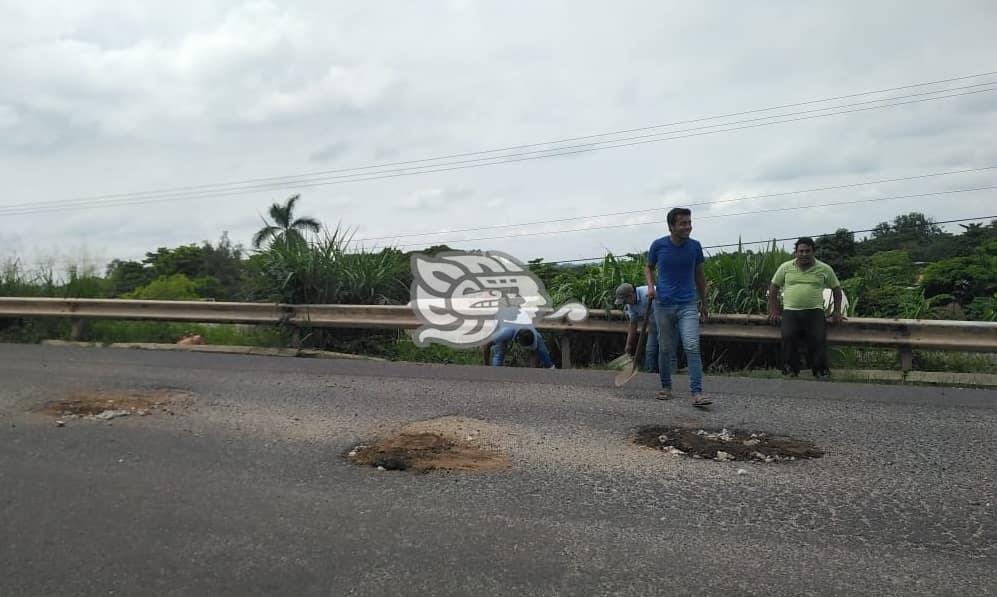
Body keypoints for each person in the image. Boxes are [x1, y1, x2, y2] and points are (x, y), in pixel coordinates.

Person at [645, 207, 711, 407]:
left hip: (688, 304)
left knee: (692, 345)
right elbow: (649, 267)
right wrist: (650, 285)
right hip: (663, 304)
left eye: (689, 223)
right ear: (671, 226)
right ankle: (666, 387)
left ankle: (697, 393)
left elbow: (699, 277)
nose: (688, 227)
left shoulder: (695, 247)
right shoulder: (659, 245)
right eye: (683, 223)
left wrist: (704, 304)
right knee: (665, 348)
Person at [767, 237, 843, 378]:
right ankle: (790, 370)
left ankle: (820, 372)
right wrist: (774, 311)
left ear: (813, 252)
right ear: (796, 252)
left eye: (807, 251)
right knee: (789, 337)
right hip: (790, 311)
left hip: (815, 311)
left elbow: (837, 290)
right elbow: (773, 288)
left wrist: (837, 311)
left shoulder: (824, 268)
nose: (804, 254)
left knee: (818, 339)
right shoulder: (785, 267)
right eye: (800, 251)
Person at [614, 282, 681, 373]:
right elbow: (633, 324)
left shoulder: (649, 292)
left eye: (625, 301)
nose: (625, 303)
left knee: (668, 351)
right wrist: (628, 344)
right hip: (654, 323)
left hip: (670, 321)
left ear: (631, 295)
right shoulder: (631, 305)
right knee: (650, 350)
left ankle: (671, 377)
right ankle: (649, 376)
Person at [483, 326, 556, 369]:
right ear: (517, 338)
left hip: (517, 321)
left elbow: (539, 353)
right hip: (501, 324)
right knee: (500, 351)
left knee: (539, 352)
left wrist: (533, 368)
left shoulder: (536, 338)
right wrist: (487, 366)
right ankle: (495, 374)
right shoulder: (505, 332)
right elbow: (486, 345)